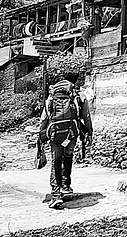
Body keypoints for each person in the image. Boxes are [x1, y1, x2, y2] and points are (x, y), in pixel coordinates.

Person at [39, 73, 93, 209]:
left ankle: (56, 195)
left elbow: (44, 118)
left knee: (56, 162)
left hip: (55, 135)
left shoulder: (51, 98)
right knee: (68, 156)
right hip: (71, 134)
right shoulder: (80, 97)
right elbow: (86, 117)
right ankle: (66, 185)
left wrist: (41, 135)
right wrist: (89, 133)